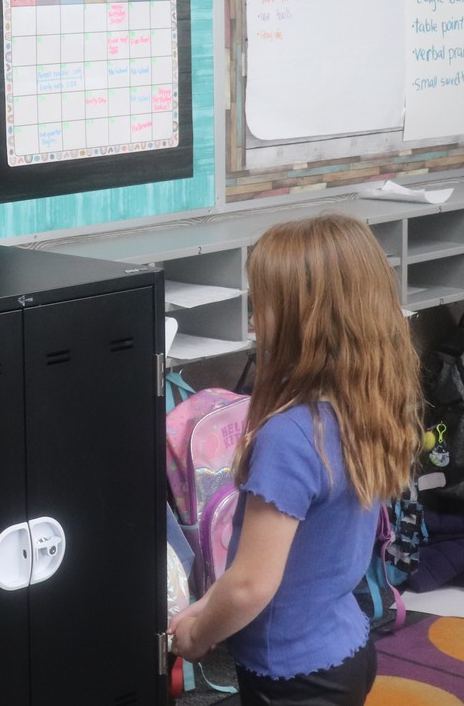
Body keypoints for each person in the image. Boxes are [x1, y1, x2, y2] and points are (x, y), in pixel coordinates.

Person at [169, 213, 422, 705]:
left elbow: (250, 585)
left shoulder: (288, 436)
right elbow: (298, 560)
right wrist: (203, 605)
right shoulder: (362, 405)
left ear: (303, 323)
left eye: (261, 307)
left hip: (292, 675)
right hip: (345, 646)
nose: (250, 323)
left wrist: (199, 637)